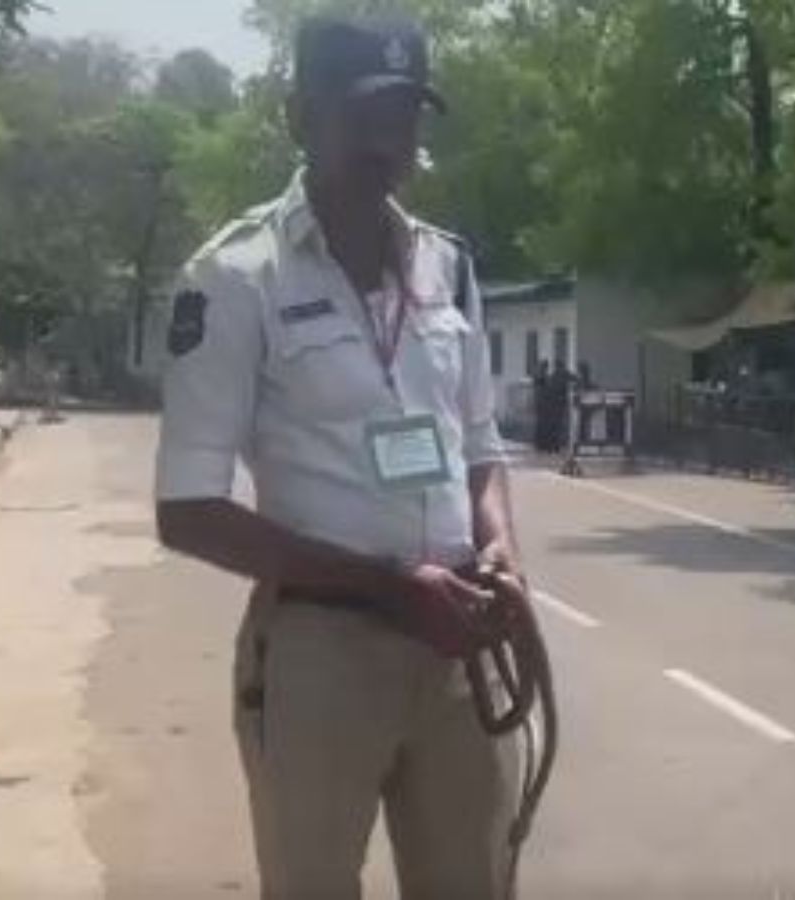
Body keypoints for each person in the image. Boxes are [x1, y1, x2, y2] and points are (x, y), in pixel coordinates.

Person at [153, 15, 528, 898]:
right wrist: (390, 588)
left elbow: (481, 449)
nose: (388, 140)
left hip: (458, 652)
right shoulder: (236, 276)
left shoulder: (450, 268)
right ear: (298, 116)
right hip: (323, 654)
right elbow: (187, 509)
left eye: (404, 114)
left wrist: (500, 545)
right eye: (362, 114)